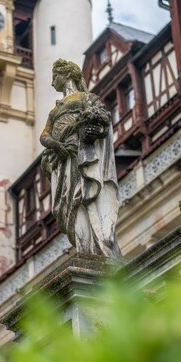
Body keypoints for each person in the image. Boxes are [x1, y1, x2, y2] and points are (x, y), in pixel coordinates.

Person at [40, 59, 121, 258]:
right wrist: (56, 146)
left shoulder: (87, 98)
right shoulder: (55, 110)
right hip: (63, 159)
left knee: (83, 196)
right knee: (67, 204)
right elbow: (44, 136)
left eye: (54, 77)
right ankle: (84, 248)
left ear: (66, 75)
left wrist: (88, 130)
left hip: (80, 154)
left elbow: (102, 120)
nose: (52, 83)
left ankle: (96, 248)